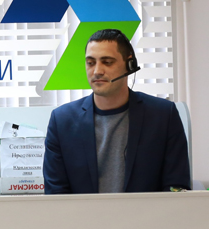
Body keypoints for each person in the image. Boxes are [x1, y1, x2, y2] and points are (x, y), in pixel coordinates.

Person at [44, 29, 190, 193]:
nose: (97, 71)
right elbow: (56, 193)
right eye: (90, 63)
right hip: (83, 211)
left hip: (148, 210)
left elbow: (176, 186)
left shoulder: (163, 115)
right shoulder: (62, 121)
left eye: (107, 62)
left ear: (129, 65)